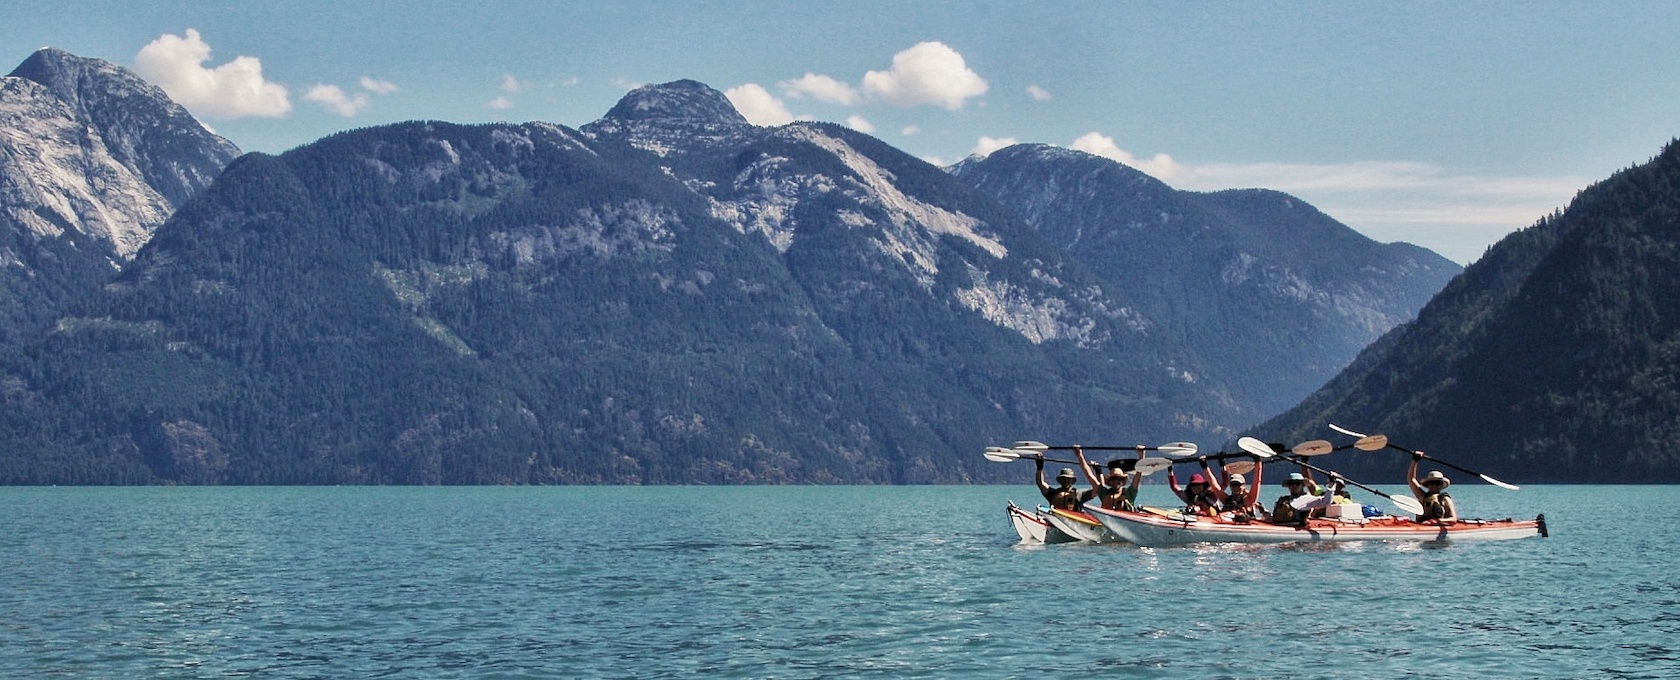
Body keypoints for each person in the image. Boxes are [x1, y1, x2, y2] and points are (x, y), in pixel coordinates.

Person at [1077, 447, 1141, 512]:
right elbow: (1089, 475)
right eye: (1113, 479)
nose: (1116, 481)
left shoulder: (1129, 493)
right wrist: (1079, 455)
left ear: (1122, 480)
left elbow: (1138, 475)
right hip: (1106, 519)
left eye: (1118, 479)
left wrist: (1141, 455)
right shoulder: (1104, 493)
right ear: (1109, 481)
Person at [1269, 471, 1341, 525]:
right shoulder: (1284, 499)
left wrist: (1332, 484)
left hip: (1295, 531)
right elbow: (1273, 518)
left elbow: (1326, 501)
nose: (1294, 486)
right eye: (1291, 483)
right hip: (1279, 526)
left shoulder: (1308, 498)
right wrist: (1263, 511)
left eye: (1297, 483)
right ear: (1288, 486)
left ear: (1302, 485)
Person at [1408, 454, 1459, 523]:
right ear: (1428, 484)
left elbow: (1453, 519)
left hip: (1437, 526)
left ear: (1440, 485)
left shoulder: (1445, 499)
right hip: (1421, 527)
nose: (1434, 485)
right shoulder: (1422, 496)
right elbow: (1411, 479)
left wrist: (1436, 521)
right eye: (1431, 483)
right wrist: (1415, 460)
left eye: (1437, 483)